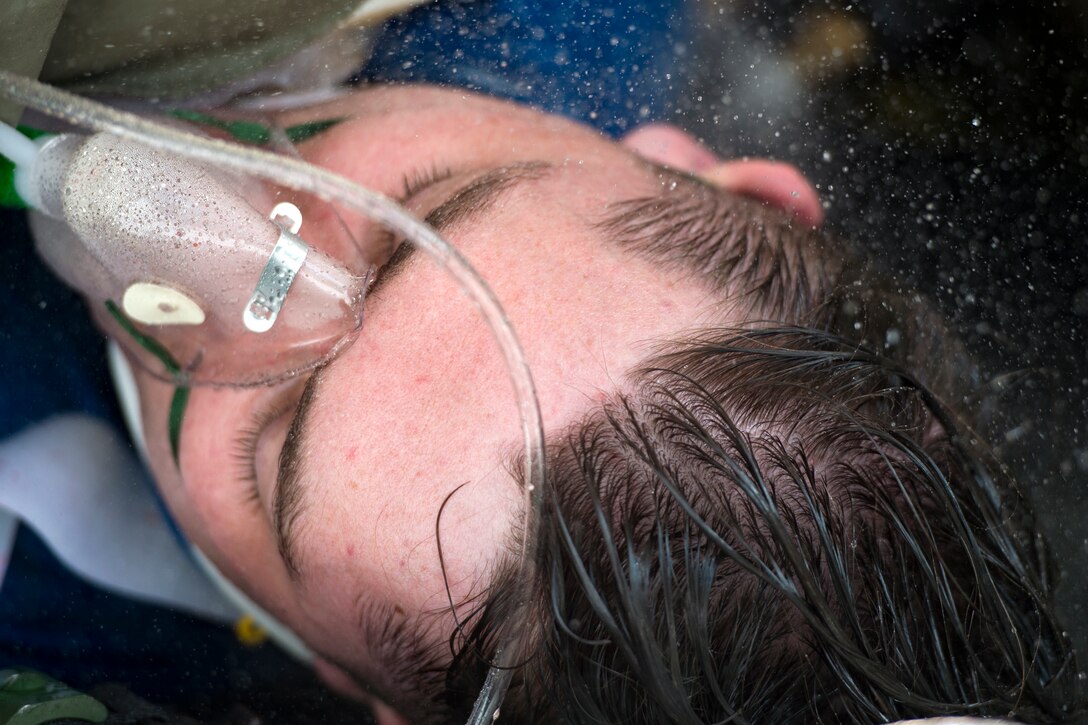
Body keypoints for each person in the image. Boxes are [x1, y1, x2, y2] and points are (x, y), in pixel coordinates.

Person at [2, 2, 1083, 724]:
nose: (236, 239)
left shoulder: (52, 628)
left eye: (272, 431)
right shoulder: (564, 18)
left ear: (351, 683)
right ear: (699, 172)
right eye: (408, 215)